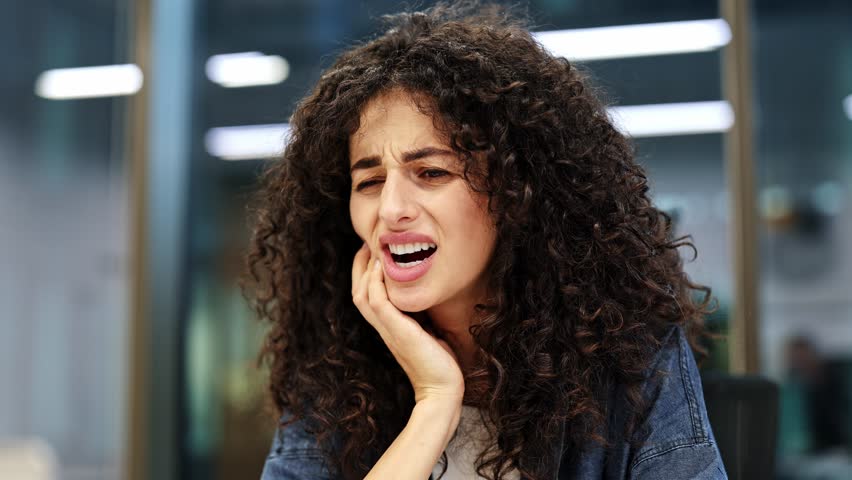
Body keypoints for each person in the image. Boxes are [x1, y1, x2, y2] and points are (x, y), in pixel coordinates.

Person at [243, 2, 727, 479]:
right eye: (368, 182)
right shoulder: (334, 370)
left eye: (431, 172)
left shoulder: (630, 362)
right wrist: (435, 400)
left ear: (517, 194)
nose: (391, 209)